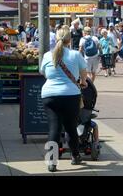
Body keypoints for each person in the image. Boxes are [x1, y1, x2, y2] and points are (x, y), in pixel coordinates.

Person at [40, 25, 87, 172]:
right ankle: (75, 155)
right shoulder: (75, 55)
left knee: (54, 128)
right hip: (70, 95)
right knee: (70, 127)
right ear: (69, 40)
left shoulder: (48, 55)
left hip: (49, 95)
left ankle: (52, 162)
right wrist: (83, 82)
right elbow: (84, 76)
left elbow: (44, 73)